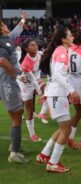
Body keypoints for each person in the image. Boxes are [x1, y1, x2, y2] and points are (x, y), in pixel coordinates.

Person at [36, 27, 80, 173]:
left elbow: (55, 76)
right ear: (63, 39)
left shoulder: (61, 50)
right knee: (66, 130)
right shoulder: (61, 51)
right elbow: (57, 76)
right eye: (70, 35)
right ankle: (53, 163)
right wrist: (71, 90)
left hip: (56, 94)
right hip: (58, 95)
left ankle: (44, 155)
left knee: (62, 128)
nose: (73, 37)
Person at [0, 12, 29, 163]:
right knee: (17, 115)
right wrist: (16, 75)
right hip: (7, 81)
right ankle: (14, 153)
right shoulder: (3, 42)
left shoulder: (8, 39)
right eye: (4, 25)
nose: (7, 26)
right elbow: (2, 61)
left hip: (8, 80)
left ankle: (15, 144)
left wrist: (23, 18)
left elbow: (17, 30)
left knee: (17, 112)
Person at [17, 39, 44, 142]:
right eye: (32, 45)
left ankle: (44, 112)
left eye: (36, 44)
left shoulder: (40, 54)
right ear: (26, 49)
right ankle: (32, 135)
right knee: (29, 110)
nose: (35, 47)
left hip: (36, 80)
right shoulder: (25, 63)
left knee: (47, 89)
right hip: (26, 85)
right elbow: (32, 79)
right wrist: (40, 93)